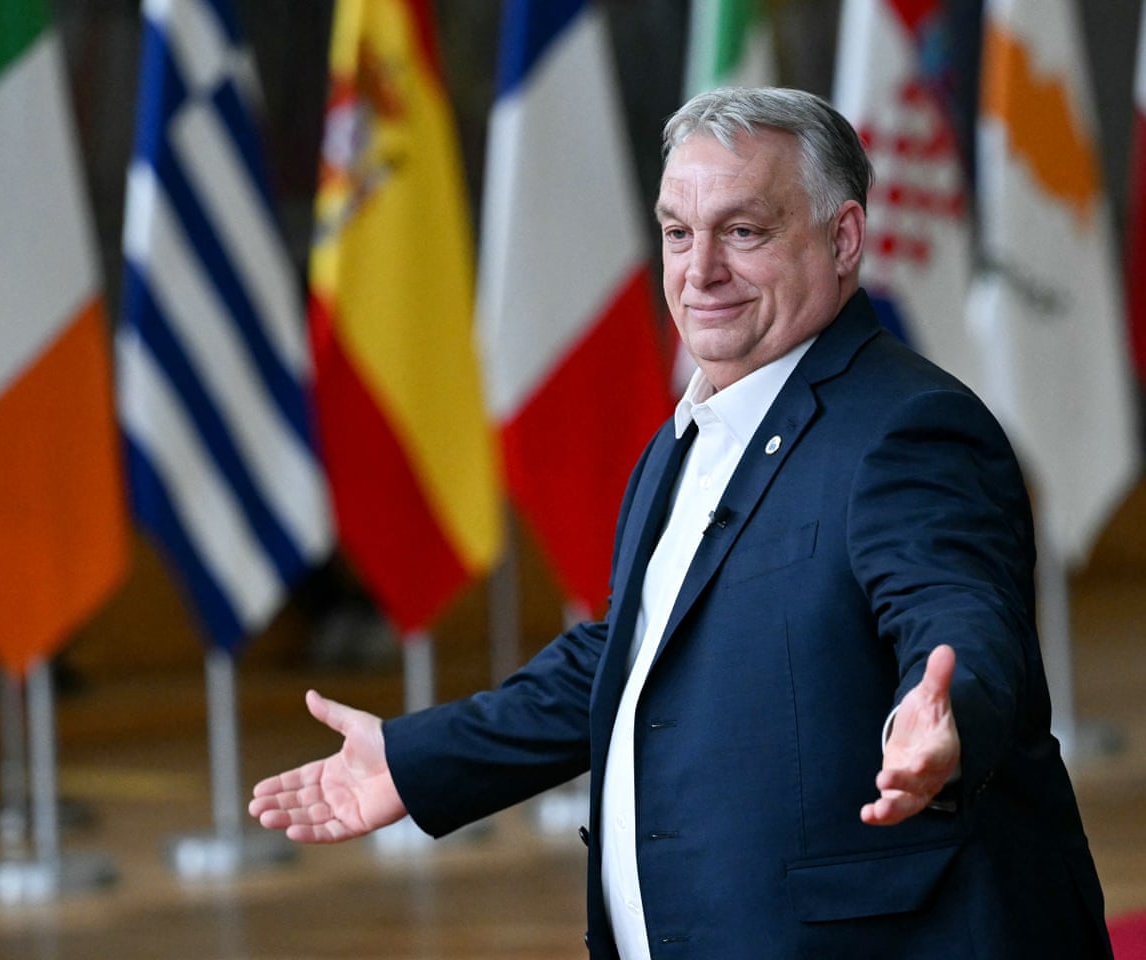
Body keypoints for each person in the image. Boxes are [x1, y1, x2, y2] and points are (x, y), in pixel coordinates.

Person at [249, 87, 1113, 959]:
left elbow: (957, 618)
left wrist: (945, 720)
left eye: (743, 232)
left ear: (844, 239)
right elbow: (630, 652)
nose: (699, 271)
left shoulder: (909, 427)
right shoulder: (688, 437)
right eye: (676, 233)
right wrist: (414, 761)